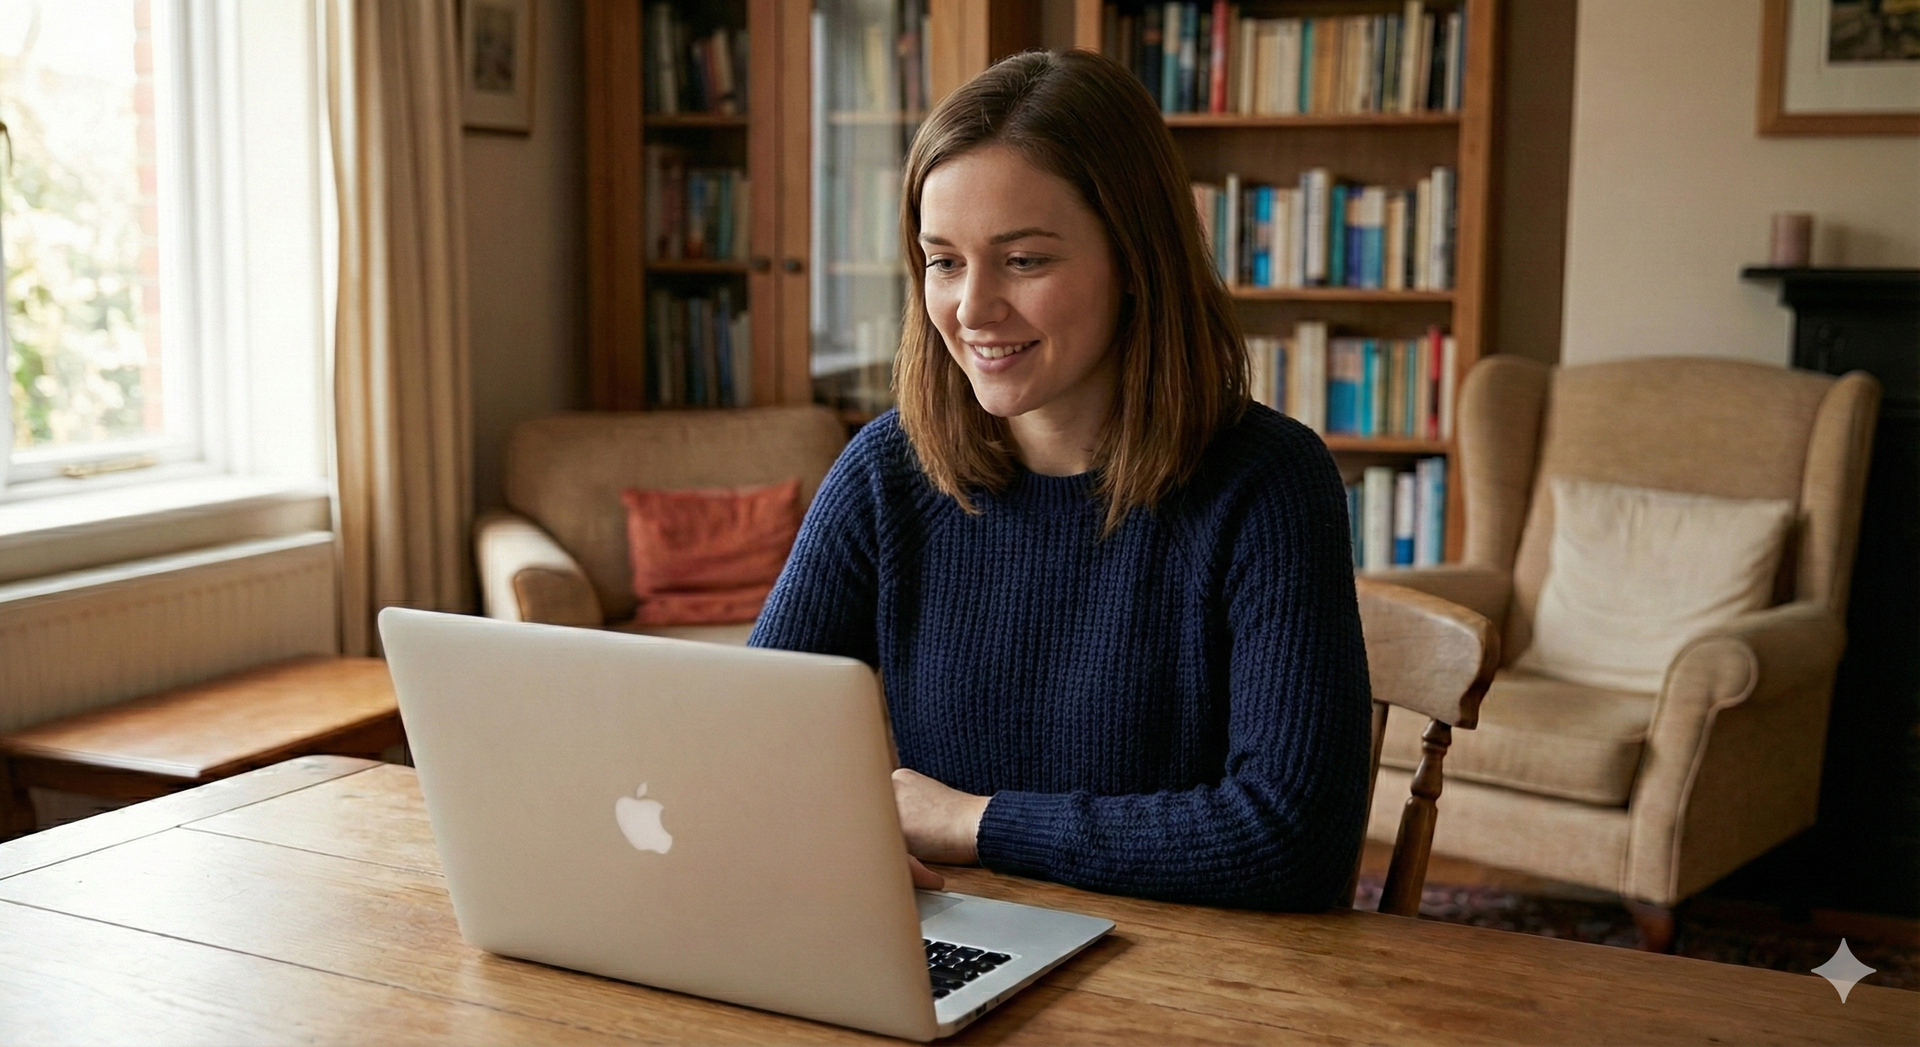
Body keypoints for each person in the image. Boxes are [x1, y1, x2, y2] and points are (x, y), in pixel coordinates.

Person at [749, 49, 1371, 911]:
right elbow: (747, 742)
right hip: (960, 951)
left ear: (1136, 259)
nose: (972, 309)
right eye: (944, 260)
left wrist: (976, 822)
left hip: (1199, 980)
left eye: (1024, 260)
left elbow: (1288, 837)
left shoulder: (1268, 484)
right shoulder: (888, 469)